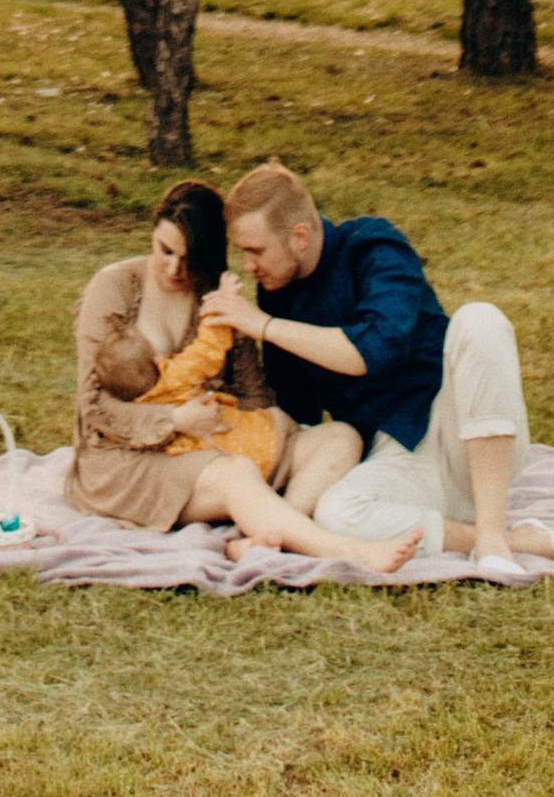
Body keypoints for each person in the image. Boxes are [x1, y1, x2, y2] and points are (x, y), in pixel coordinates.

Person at [208, 156, 554, 576]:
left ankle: (490, 531)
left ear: (299, 236)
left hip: (462, 430)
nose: (248, 266)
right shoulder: (277, 293)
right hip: (395, 455)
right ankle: (517, 540)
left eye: (255, 250)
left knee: (481, 320)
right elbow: (296, 411)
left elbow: (373, 350)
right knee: (336, 514)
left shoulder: (374, 247)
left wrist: (265, 325)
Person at [67, 178, 410, 569]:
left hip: (216, 441)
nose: (174, 269)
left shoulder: (214, 295)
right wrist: (175, 419)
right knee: (237, 474)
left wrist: (271, 425)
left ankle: (270, 535)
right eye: (164, 251)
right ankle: (343, 550)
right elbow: (93, 407)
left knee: (341, 438)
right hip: (126, 459)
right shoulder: (114, 288)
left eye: (189, 259)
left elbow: (252, 392)